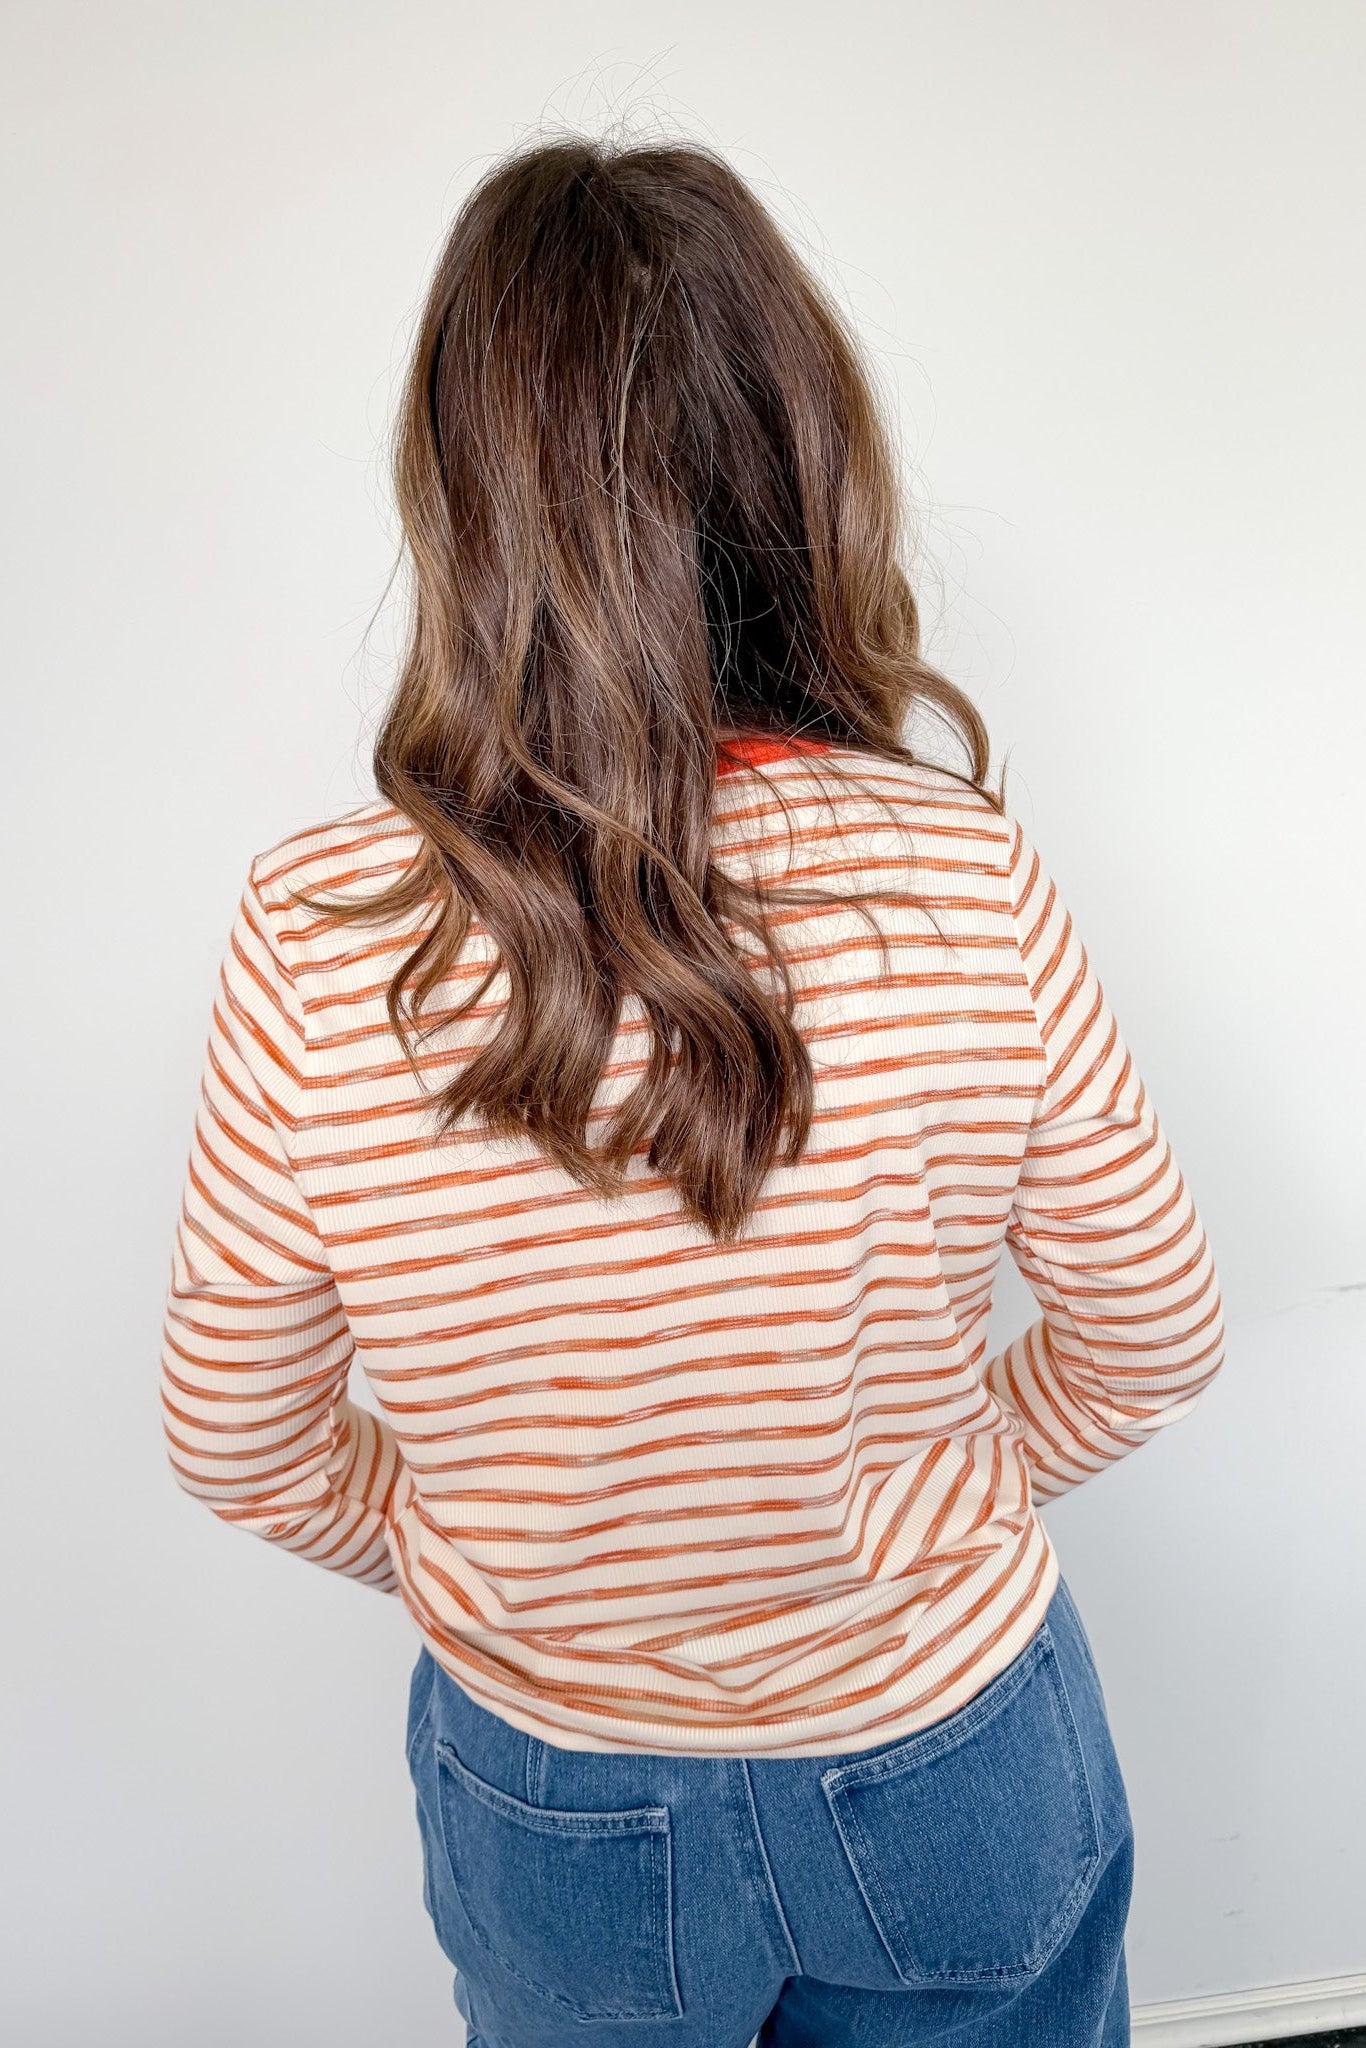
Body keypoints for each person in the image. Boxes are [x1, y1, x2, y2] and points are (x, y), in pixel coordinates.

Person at [159, 138, 1224, 2048]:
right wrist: (918, 1493)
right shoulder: (956, 873)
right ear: (799, 451)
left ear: (459, 495)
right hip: (942, 1760)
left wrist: (467, 1541)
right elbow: (1150, 1333)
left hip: (560, 1798)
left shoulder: (312, 931)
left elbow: (237, 1440)